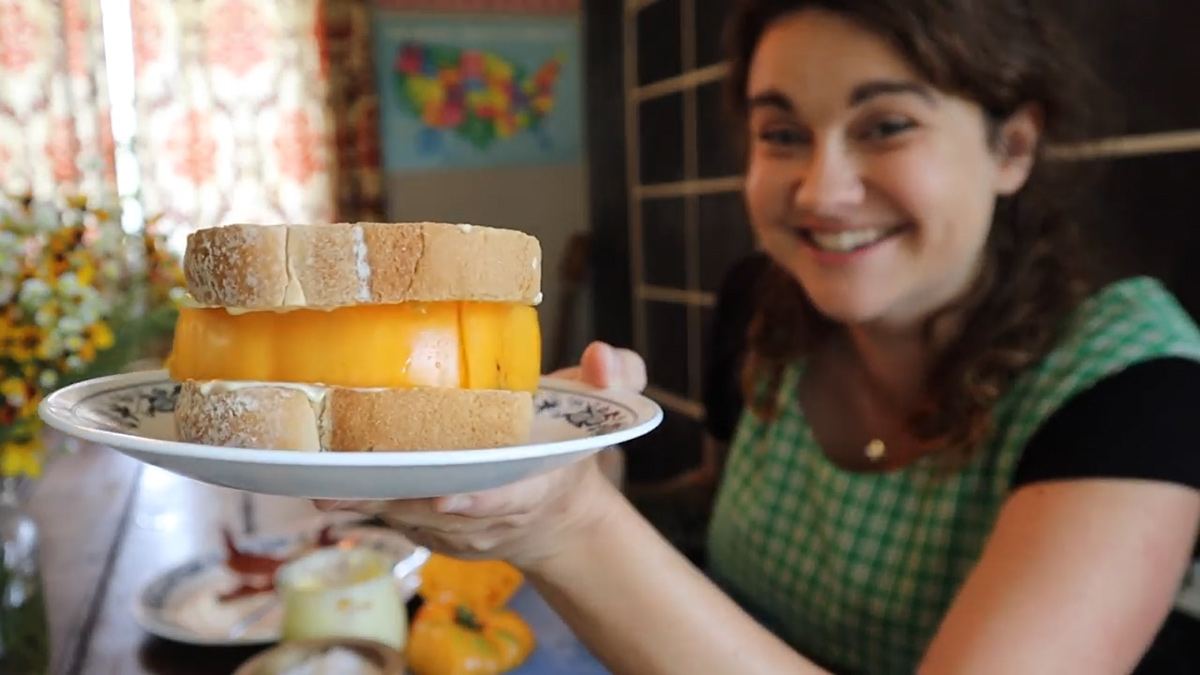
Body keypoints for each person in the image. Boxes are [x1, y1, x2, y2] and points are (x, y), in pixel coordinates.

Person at [318, 1, 1200, 672]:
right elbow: (725, 504)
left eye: (886, 125)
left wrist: (572, 523)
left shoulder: (1139, 387)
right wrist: (588, 465)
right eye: (782, 133)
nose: (822, 190)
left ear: (1012, 146)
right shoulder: (765, 306)